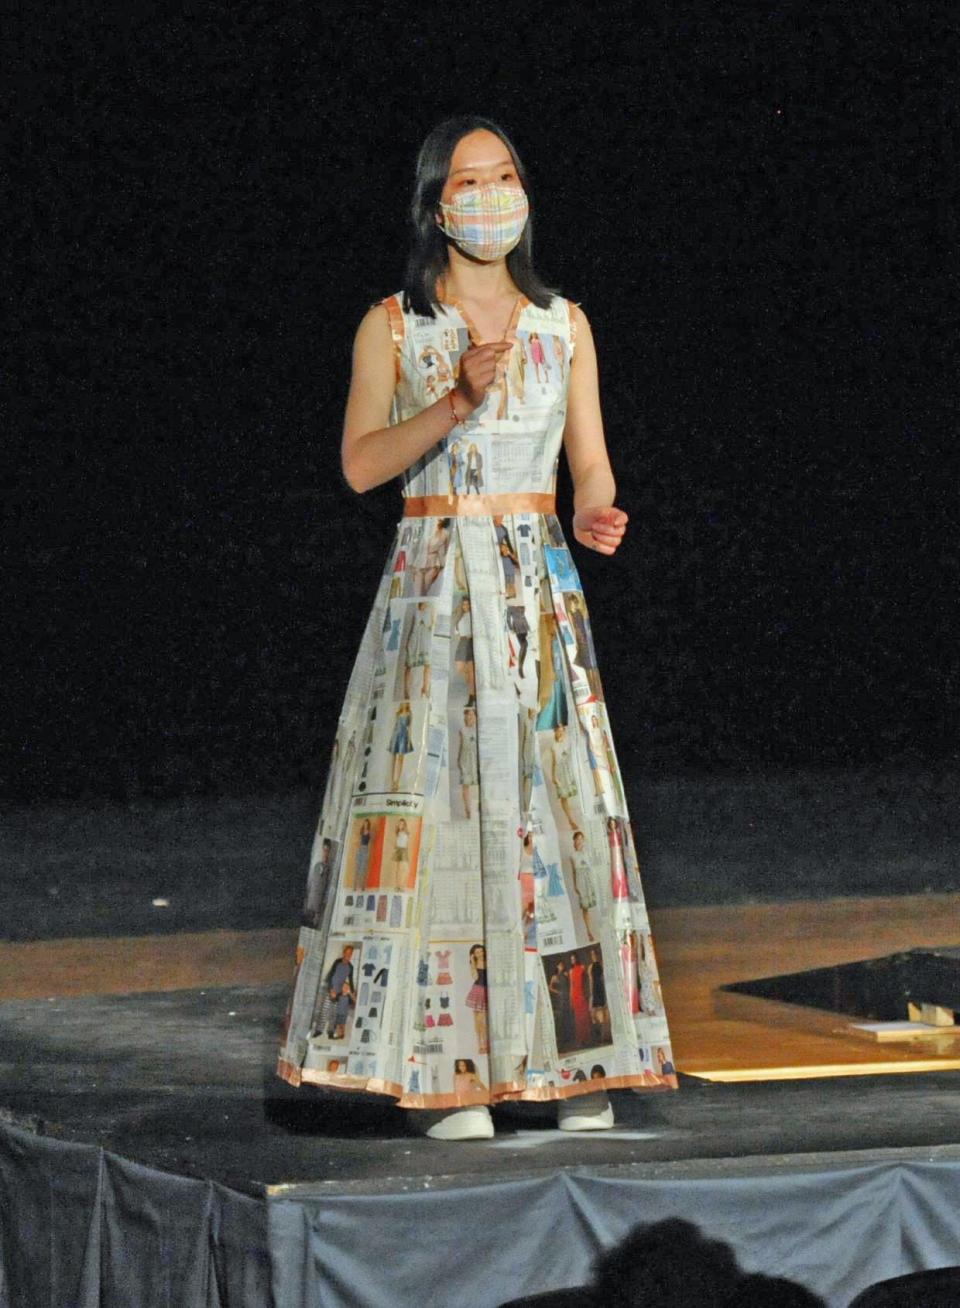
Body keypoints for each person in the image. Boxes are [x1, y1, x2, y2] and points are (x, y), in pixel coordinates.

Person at [276, 114, 677, 1141]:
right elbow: (362, 464)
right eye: (469, 179)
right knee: (439, 816)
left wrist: (593, 507)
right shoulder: (395, 326)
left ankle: (570, 1056)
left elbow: (588, 455)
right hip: (435, 585)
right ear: (434, 201)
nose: (491, 195)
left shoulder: (562, 324)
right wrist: (456, 400)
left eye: (505, 175)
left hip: (534, 589)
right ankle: (442, 1068)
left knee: (555, 815)